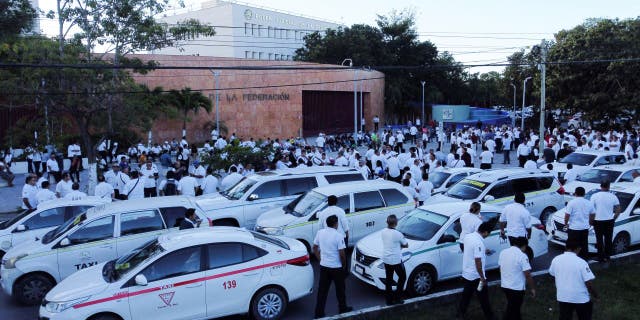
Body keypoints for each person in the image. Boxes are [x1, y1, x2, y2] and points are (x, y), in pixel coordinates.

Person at [313, 215, 352, 318]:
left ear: (327, 223)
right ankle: (342, 308)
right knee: (340, 290)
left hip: (324, 266)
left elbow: (315, 248)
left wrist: (320, 259)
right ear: (336, 224)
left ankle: (319, 313)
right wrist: (343, 265)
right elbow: (342, 254)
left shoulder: (320, 233)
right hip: (336, 267)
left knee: (322, 291)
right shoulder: (338, 236)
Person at [549, 239, 597, 320]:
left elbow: (552, 274)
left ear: (566, 247)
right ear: (577, 248)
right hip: (581, 298)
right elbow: (588, 283)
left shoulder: (556, 259)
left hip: (563, 296)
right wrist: (595, 295)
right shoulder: (581, 262)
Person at [457, 222, 495, 320]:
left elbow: (470, 249)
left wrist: (483, 251)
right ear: (485, 232)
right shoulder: (479, 242)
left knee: (466, 296)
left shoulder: (469, 236)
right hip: (476, 276)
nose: (488, 236)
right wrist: (482, 277)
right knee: (484, 298)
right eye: (488, 234)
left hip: (467, 273)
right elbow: (478, 261)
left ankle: (460, 314)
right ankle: (489, 316)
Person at [498, 237, 536, 320]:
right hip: (516, 288)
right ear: (524, 246)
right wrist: (532, 288)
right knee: (514, 309)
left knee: (513, 307)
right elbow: (528, 275)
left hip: (505, 286)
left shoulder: (503, 252)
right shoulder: (522, 256)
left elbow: (500, 268)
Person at [589, 181, 620, 262]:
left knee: (599, 239)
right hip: (609, 220)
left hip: (598, 220)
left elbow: (591, 210)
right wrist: (614, 217)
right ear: (609, 186)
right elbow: (618, 209)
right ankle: (607, 255)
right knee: (608, 238)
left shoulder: (594, 196)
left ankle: (600, 256)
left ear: (600, 186)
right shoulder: (613, 196)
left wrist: (591, 220)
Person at [381, 214, 408, 305]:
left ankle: (388, 300)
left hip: (386, 258)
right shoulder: (398, 234)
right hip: (396, 260)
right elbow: (406, 244)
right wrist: (400, 245)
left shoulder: (383, 231)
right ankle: (398, 297)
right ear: (396, 223)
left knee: (389, 279)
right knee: (402, 277)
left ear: (387, 222)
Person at [564, 187, 595, 261]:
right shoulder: (589, 203)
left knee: (571, 247)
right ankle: (584, 262)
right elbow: (593, 214)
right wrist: (590, 222)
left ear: (575, 193)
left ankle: (571, 261)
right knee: (584, 247)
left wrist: (566, 224)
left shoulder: (571, 202)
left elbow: (567, 215)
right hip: (584, 228)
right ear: (584, 194)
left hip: (573, 229)